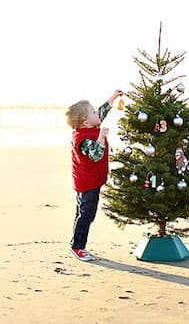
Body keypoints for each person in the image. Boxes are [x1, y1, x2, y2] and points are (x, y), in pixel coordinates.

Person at [65, 90, 123, 261]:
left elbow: (102, 112)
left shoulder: (90, 127)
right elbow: (95, 155)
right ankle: (78, 247)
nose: (98, 113)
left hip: (90, 180)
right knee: (86, 214)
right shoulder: (83, 139)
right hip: (87, 183)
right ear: (85, 122)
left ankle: (76, 243)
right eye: (93, 112)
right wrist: (102, 138)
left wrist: (113, 98)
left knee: (82, 212)